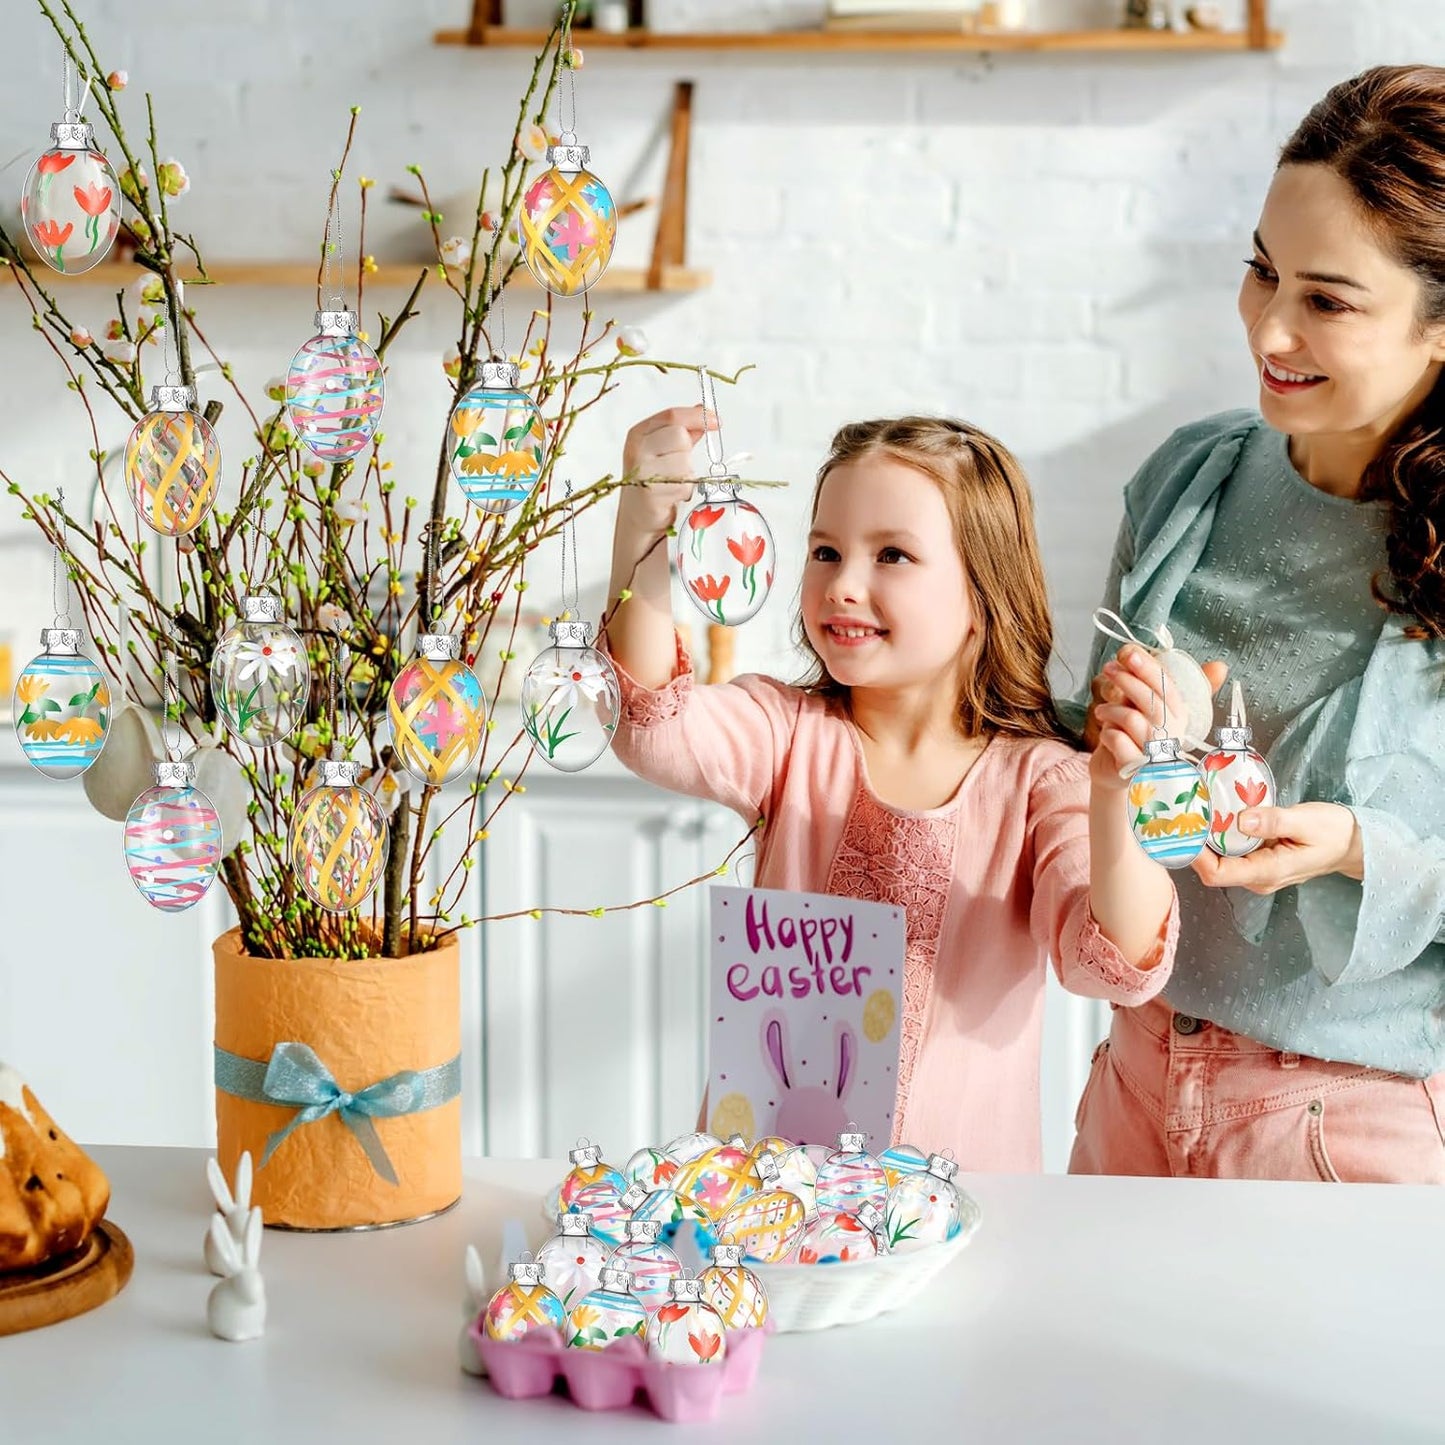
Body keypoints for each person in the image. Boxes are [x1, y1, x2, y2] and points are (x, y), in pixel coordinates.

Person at [602, 409, 1180, 1171]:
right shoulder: (786, 733)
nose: (841, 584)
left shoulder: (1040, 781)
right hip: (768, 1210)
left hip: (958, 1221)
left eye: (893, 555)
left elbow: (1111, 963)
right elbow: (650, 722)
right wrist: (641, 527)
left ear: (982, 593)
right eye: (825, 550)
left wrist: (1114, 794)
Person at [1066, 65, 1445, 1183]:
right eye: (1259, 270)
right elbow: (1087, 782)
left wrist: (1355, 850)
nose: (1266, 326)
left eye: (1324, 299)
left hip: (1350, 1117)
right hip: (1139, 1071)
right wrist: (1122, 739)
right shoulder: (1189, 480)